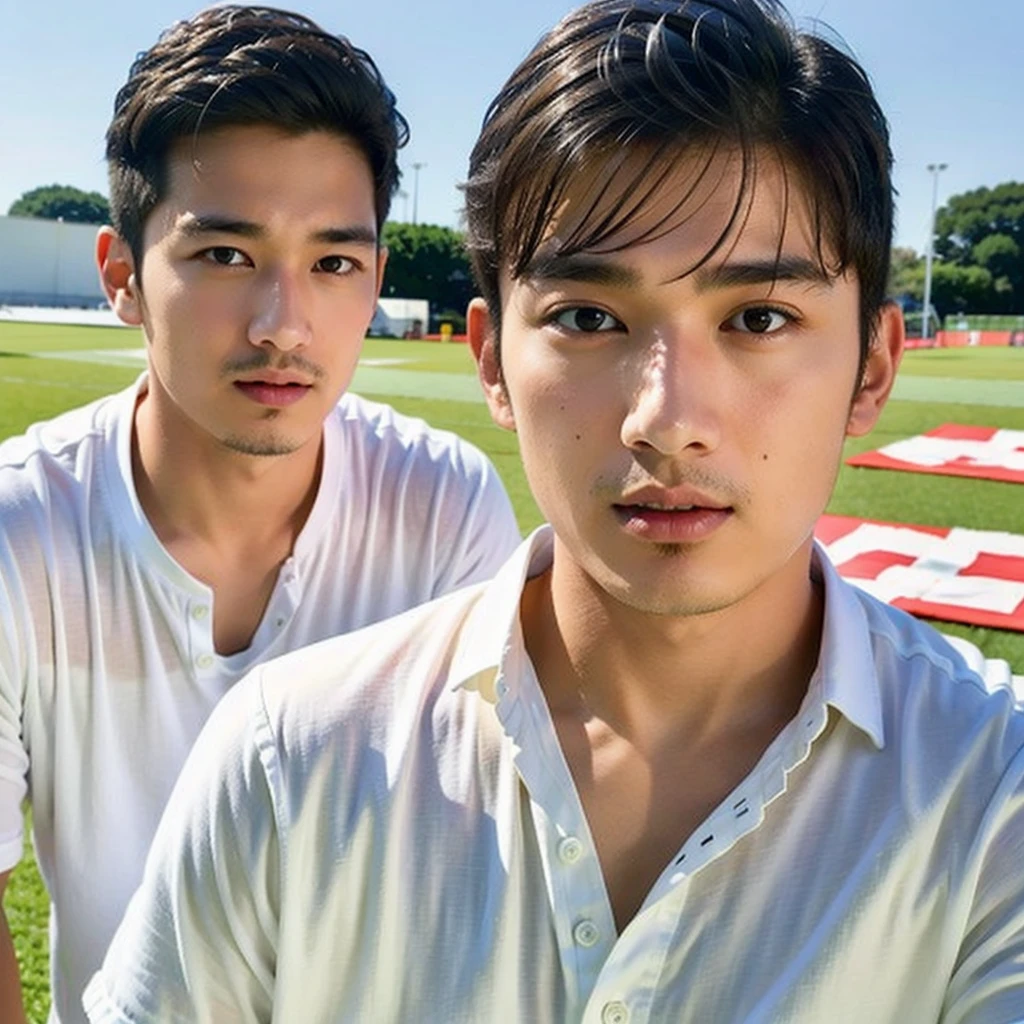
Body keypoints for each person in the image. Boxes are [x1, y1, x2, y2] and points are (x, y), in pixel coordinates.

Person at [85, 1, 1024, 1021]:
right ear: (490, 356)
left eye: (759, 318)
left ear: (873, 362)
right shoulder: (283, 758)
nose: (665, 422)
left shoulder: (992, 796)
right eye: (587, 317)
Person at [0, 7, 521, 1023]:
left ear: (373, 276)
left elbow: (487, 871)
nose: (284, 324)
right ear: (122, 277)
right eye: (226, 255)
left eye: (333, 263)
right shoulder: (20, 530)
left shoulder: (444, 505)